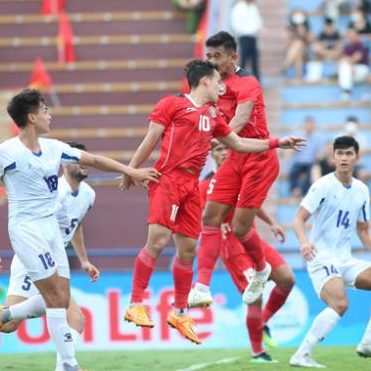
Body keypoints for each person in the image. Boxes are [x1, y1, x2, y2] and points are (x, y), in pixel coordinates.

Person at [122, 59, 303, 344]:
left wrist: (276, 142)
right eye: (218, 80)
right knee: (157, 241)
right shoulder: (171, 104)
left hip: (192, 186)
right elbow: (150, 139)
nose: (223, 85)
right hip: (168, 179)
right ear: (205, 80)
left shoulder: (213, 116)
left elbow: (240, 144)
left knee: (188, 249)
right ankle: (135, 304)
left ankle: (180, 312)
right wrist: (131, 170)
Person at [0, 89, 159, 369]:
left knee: (60, 300)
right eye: (45, 110)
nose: (49, 115)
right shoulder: (3, 153)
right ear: (31, 116)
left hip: (51, 231)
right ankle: (69, 364)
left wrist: (132, 172)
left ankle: (1, 316)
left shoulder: (55, 148)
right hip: (26, 231)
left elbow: (95, 160)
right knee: (55, 300)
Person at [0, 142, 97, 369]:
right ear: (63, 164)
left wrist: (83, 259)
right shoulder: (55, 192)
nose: (83, 163)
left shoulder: (89, 195)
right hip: (34, 257)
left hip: (54, 258)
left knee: (71, 318)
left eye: (85, 158)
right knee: (45, 312)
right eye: (77, 159)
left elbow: (77, 223)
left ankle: (64, 366)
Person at [187, 32, 304, 309]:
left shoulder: (248, 82)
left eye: (218, 56)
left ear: (233, 57)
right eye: (209, 56)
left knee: (240, 227)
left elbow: (240, 118)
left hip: (259, 158)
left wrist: (216, 138)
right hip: (235, 158)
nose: (213, 61)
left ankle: (262, 270)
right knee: (210, 216)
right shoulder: (212, 84)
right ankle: (202, 286)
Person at [290, 136, 371, 368]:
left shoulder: (361, 190)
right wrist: (303, 242)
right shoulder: (322, 185)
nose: (343, 158)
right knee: (340, 303)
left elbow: (363, 231)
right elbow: (299, 218)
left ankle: (369, 342)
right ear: (333, 156)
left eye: (348, 153)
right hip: (321, 257)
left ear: (356, 157)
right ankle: (301, 355)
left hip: (344, 259)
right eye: (339, 153)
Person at [197, 142, 295, 363]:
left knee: (287, 278)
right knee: (255, 295)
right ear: (212, 155)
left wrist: (271, 223)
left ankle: (263, 322)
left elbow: (251, 204)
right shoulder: (206, 185)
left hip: (252, 239)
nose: (223, 153)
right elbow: (206, 215)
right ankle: (257, 352)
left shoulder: (239, 176)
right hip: (232, 247)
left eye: (226, 148)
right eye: (218, 150)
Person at [287, 117, 325, 198]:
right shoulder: (298, 136)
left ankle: (303, 191)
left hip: (311, 162)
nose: (309, 127)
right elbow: (293, 150)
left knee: (310, 175)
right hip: (299, 162)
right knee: (293, 171)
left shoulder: (318, 138)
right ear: (305, 125)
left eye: (311, 125)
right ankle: (293, 189)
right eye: (308, 125)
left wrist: (318, 158)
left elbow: (320, 152)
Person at [231, 0, 263, 81]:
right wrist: (250, 29)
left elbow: (258, 21)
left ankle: (257, 81)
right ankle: (240, 80)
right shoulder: (238, 8)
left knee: (255, 61)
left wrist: (257, 29)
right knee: (243, 60)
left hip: (253, 37)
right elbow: (236, 24)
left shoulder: (253, 7)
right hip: (244, 37)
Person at [338, 27, 370, 102]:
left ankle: (346, 91)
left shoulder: (361, 45)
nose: (350, 38)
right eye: (349, 36)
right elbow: (343, 59)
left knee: (345, 66)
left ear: (357, 36)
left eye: (352, 36)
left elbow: (356, 58)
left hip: (362, 69)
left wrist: (350, 63)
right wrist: (351, 65)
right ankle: (346, 91)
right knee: (344, 66)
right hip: (352, 71)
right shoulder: (347, 47)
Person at [282, 9, 314, 79]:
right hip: (293, 51)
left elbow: (309, 41)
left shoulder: (307, 27)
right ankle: (299, 76)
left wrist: (302, 32)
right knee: (298, 53)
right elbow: (286, 42)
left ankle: (286, 64)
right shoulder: (289, 27)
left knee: (299, 43)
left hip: (305, 51)